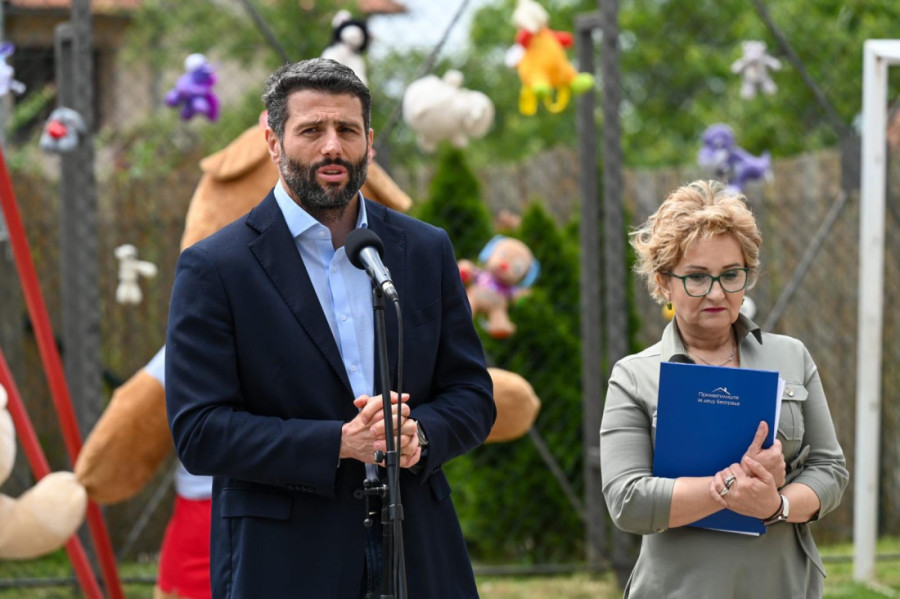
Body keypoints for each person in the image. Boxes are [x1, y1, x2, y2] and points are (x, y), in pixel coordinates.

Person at [165, 58, 495, 599]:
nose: (332, 147)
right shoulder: (216, 267)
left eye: (347, 129)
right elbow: (199, 432)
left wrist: (419, 435)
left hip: (419, 545)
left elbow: (473, 395)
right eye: (311, 130)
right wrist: (339, 443)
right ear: (273, 142)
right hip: (284, 559)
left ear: (369, 141)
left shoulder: (424, 248)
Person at [600, 180, 848, 598]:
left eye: (731, 275)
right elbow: (628, 501)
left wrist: (775, 506)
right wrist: (735, 485)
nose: (716, 293)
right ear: (664, 283)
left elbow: (830, 470)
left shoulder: (792, 356)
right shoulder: (634, 375)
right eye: (697, 277)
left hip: (782, 585)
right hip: (678, 588)